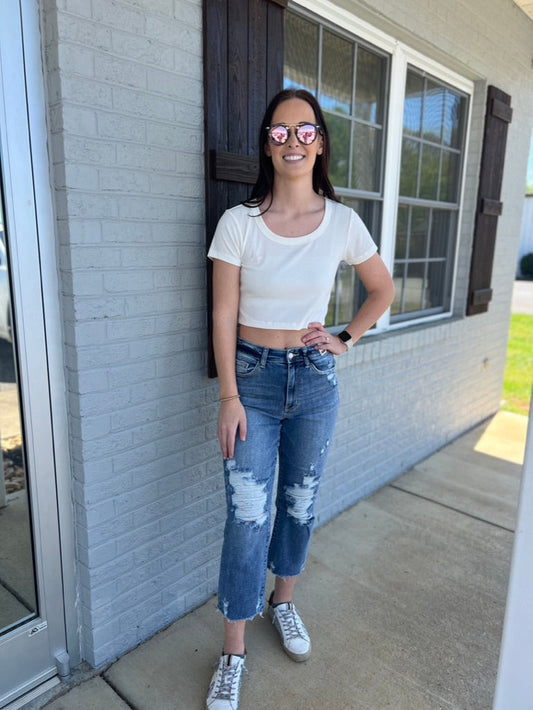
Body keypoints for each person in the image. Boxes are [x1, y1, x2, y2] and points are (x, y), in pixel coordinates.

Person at [206, 88, 395, 709]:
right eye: (280, 132)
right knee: (247, 515)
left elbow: (381, 289)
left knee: (299, 503)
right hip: (253, 382)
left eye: (305, 130)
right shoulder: (240, 223)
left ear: (321, 142)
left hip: (315, 380)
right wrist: (229, 396)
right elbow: (223, 312)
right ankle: (233, 651)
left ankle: (283, 603)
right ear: (267, 142)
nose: (293, 141)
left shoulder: (342, 221)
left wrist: (345, 336)